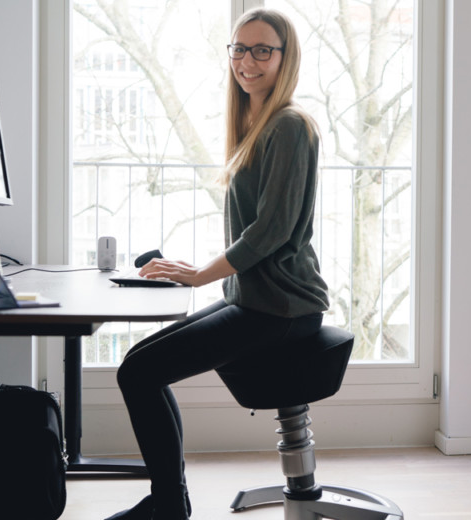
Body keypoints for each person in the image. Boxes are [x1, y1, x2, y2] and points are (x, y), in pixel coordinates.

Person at [105, 8, 329, 520]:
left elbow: (271, 231)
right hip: (255, 300)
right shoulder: (258, 122)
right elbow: (257, 229)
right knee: (139, 368)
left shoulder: (290, 126)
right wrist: (196, 271)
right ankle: (170, 501)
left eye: (262, 50)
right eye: (238, 48)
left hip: (283, 310)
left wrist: (201, 273)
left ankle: (168, 505)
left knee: (138, 373)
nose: (246, 61)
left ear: (284, 58)